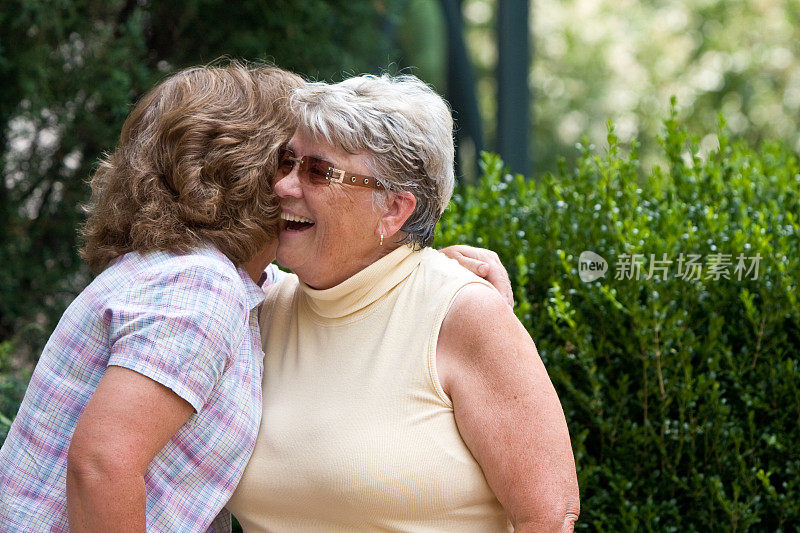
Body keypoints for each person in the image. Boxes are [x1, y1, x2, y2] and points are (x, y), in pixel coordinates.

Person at [227, 74, 580, 531]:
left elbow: (549, 519)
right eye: (286, 162)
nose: (283, 187)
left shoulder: (462, 313)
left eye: (317, 171)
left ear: (394, 209)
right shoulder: (256, 307)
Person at [0, 61, 304, 532]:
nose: (303, 184)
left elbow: (301, 289)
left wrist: (421, 266)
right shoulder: (200, 285)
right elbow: (103, 466)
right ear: (251, 170)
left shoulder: (198, 274)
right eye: (296, 163)